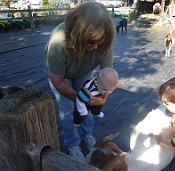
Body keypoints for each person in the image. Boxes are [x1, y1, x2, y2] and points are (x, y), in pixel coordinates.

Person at [43, 2, 114, 161]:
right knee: (68, 110)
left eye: (99, 43)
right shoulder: (59, 41)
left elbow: (107, 76)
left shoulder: (103, 40)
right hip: (60, 75)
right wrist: (81, 99)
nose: (96, 47)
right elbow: (58, 81)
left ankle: (87, 134)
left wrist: (102, 98)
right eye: (90, 43)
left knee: (88, 106)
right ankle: (72, 143)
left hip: (84, 71)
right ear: (77, 35)